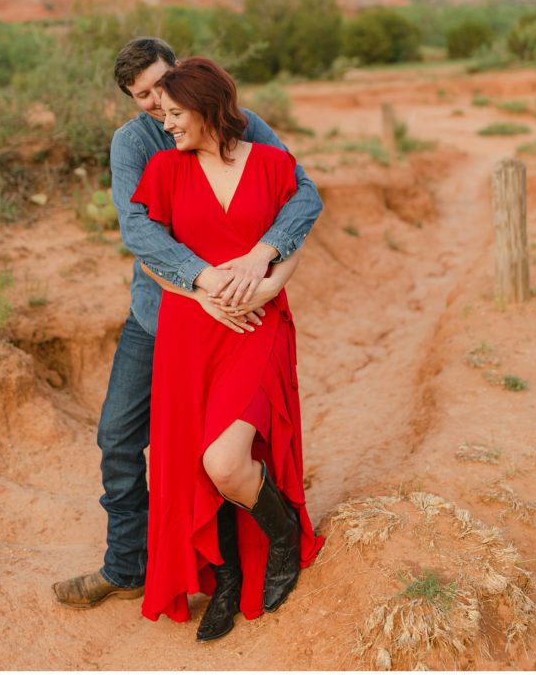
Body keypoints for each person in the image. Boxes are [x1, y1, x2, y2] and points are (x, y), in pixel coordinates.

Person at [52, 37, 322, 610]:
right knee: (119, 439)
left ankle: (239, 563)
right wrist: (204, 284)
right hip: (159, 317)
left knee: (217, 448)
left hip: (240, 319)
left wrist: (264, 260)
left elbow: (299, 194)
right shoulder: (133, 144)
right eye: (142, 96)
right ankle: (128, 567)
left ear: (184, 75)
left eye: (161, 87)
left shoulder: (242, 126)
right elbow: (140, 231)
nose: (155, 104)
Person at [132, 57, 323, 637]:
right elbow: (151, 254)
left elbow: (298, 231)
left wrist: (266, 274)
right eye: (160, 113)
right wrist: (202, 292)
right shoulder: (165, 170)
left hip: (257, 325)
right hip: (191, 330)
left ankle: (285, 536)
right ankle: (228, 578)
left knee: (225, 461)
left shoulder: (270, 163)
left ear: (208, 107)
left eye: (173, 112)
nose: (165, 124)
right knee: (196, 463)